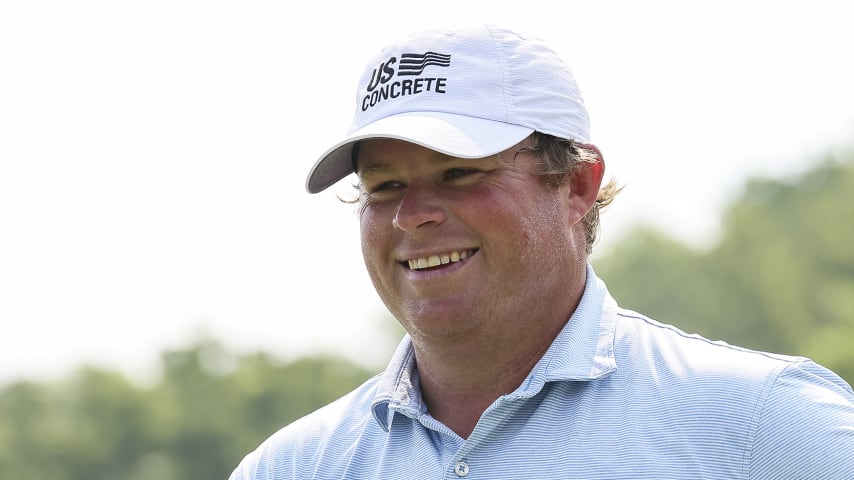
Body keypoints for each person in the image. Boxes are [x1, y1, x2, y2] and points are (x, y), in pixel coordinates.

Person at [229, 24, 854, 479]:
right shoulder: (290, 469)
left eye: (460, 174)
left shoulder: (770, 426)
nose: (413, 214)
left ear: (577, 184)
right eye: (385, 185)